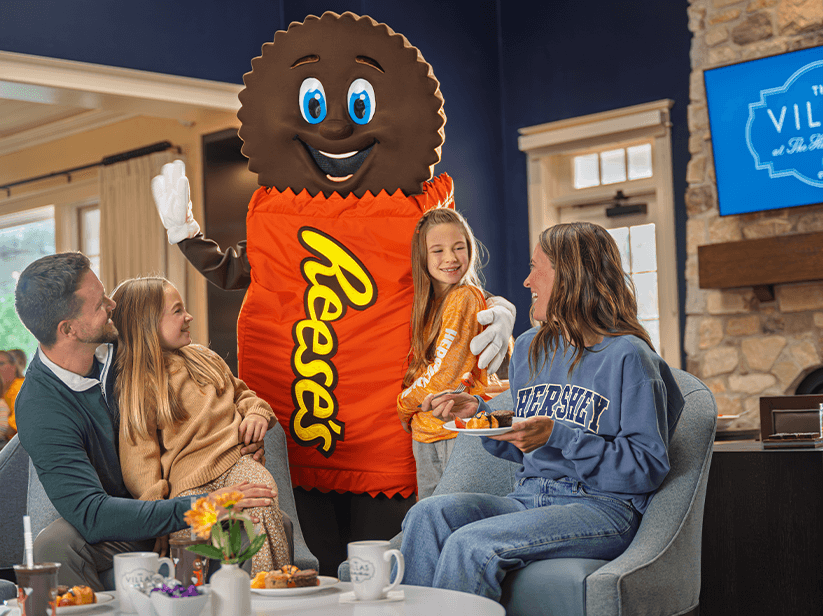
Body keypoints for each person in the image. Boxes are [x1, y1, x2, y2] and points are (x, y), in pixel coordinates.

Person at [400, 222, 685, 600]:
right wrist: (480, 413)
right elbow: (524, 437)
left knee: (470, 544)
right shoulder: (532, 346)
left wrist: (559, 436)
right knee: (426, 515)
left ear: (569, 277)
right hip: (529, 496)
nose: (527, 280)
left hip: (603, 508)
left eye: (537, 268)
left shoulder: (629, 357)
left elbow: (647, 469)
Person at [13, 252, 275, 590]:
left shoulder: (132, 346)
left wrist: (243, 432)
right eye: (98, 305)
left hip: (187, 487)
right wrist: (198, 508)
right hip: (124, 520)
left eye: (105, 292)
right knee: (55, 544)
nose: (112, 305)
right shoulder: (41, 407)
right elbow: (91, 514)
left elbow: (217, 393)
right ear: (69, 329)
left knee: (254, 518)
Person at [111, 276, 290, 574]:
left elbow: (242, 394)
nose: (188, 316)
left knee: (263, 497)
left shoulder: (205, 357)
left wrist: (257, 413)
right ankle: (188, 599)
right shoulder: (139, 385)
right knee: (185, 537)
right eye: (178, 311)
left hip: (236, 464)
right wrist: (157, 516)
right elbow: (139, 461)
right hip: (188, 485)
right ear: (148, 323)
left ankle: (273, 588)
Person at [397, 209, 497, 499]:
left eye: (459, 247)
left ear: (470, 249)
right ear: (423, 257)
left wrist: (404, 405)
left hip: (455, 432)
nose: (451, 258)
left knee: (450, 518)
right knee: (429, 521)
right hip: (428, 431)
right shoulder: (429, 304)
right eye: (438, 250)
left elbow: (445, 374)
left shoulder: (464, 297)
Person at [0, 349, 26, 441]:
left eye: (1, 363)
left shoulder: (22, 387)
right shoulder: (4, 391)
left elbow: (13, 428)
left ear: (13, 367)